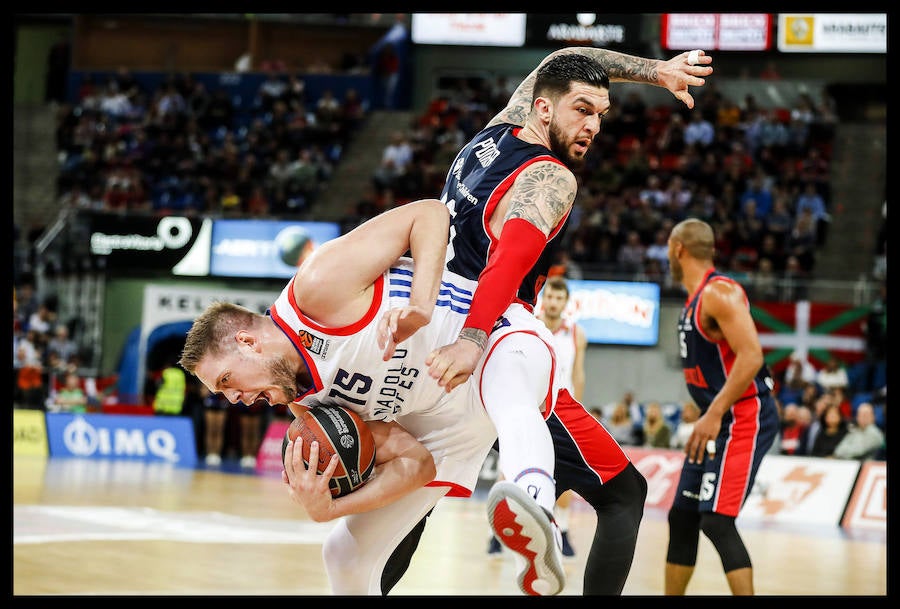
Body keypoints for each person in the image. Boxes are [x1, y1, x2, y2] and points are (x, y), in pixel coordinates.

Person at [424, 46, 711, 593]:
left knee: (414, 500)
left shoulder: (494, 134)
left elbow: (567, 56)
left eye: (601, 114)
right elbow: (506, 265)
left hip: (435, 331)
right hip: (489, 337)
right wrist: (473, 339)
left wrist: (659, 74)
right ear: (544, 110)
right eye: (582, 110)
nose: (593, 126)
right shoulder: (551, 177)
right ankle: (535, 503)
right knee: (624, 493)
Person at [664, 218, 779, 596]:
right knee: (682, 516)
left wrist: (712, 413)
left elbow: (751, 356)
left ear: (678, 248)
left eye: (668, 246)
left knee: (716, 521)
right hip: (714, 419)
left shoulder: (719, 293)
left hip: (743, 416)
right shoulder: (694, 300)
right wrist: (705, 412)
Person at [488, 275, 586, 558]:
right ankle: (496, 534)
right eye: (551, 297)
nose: (554, 302)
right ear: (545, 298)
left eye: (559, 298)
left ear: (566, 302)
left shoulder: (577, 334)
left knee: (565, 474)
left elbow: (578, 374)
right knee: (508, 470)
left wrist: (579, 407)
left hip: (561, 411)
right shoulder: (530, 323)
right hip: (527, 405)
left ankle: (564, 531)